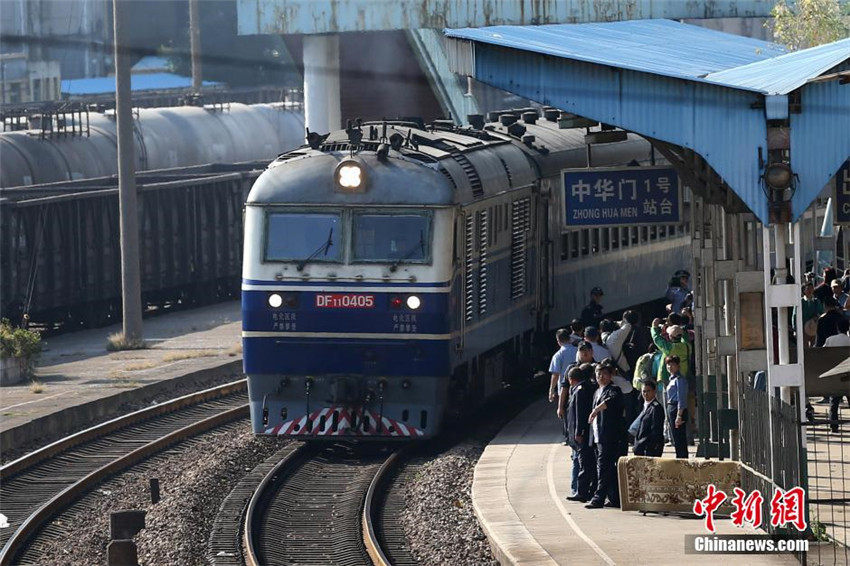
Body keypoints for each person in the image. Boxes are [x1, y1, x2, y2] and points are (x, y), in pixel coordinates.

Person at [586, 364, 625, 509]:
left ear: (610, 375)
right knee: (607, 468)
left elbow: (611, 401)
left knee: (603, 467)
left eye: (604, 374)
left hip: (609, 436)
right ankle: (614, 498)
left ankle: (598, 498)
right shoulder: (597, 392)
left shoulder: (614, 390)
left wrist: (596, 410)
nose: (601, 377)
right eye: (598, 374)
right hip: (598, 436)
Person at [560, 366, 597, 502]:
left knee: (584, 463)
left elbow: (580, 414)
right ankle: (586, 490)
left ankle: (582, 492)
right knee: (586, 462)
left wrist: (579, 432)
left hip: (582, 434)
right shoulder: (582, 389)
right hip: (583, 433)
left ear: (571, 379)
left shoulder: (580, 391)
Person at [549, 329, 578, 440]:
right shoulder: (577, 351)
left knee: (565, 413)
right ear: (569, 338)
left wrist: (551, 390)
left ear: (558, 341)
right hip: (578, 386)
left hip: (564, 389)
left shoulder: (558, 355)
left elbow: (555, 374)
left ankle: (568, 436)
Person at [632, 380, 665, 457]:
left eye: (648, 391)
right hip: (641, 448)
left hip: (650, 449)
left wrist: (643, 445)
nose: (645, 394)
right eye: (644, 391)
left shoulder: (656, 408)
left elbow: (656, 431)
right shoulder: (643, 406)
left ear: (654, 392)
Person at [665, 355, 689, 459]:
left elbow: (681, 397)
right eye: (668, 365)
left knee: (680, 438)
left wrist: (679, 415)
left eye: (673, 365)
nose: (670, 367)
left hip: (677, 409)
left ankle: (682, 459)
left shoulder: (680, 379)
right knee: (676, 437)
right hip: (671, 408)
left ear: (678, 366)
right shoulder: (671, 379)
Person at [795, 282, 824, 347]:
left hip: (814, 328)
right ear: (804, 290)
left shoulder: (817, 301)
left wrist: (817, 317)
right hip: (803, 328)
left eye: (811, 288)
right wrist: (795, 329)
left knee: (814, 347)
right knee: (804, 348)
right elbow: (795, 316)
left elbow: (821, 313)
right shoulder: (800, 302)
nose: (810, 290)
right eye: (808, 289)